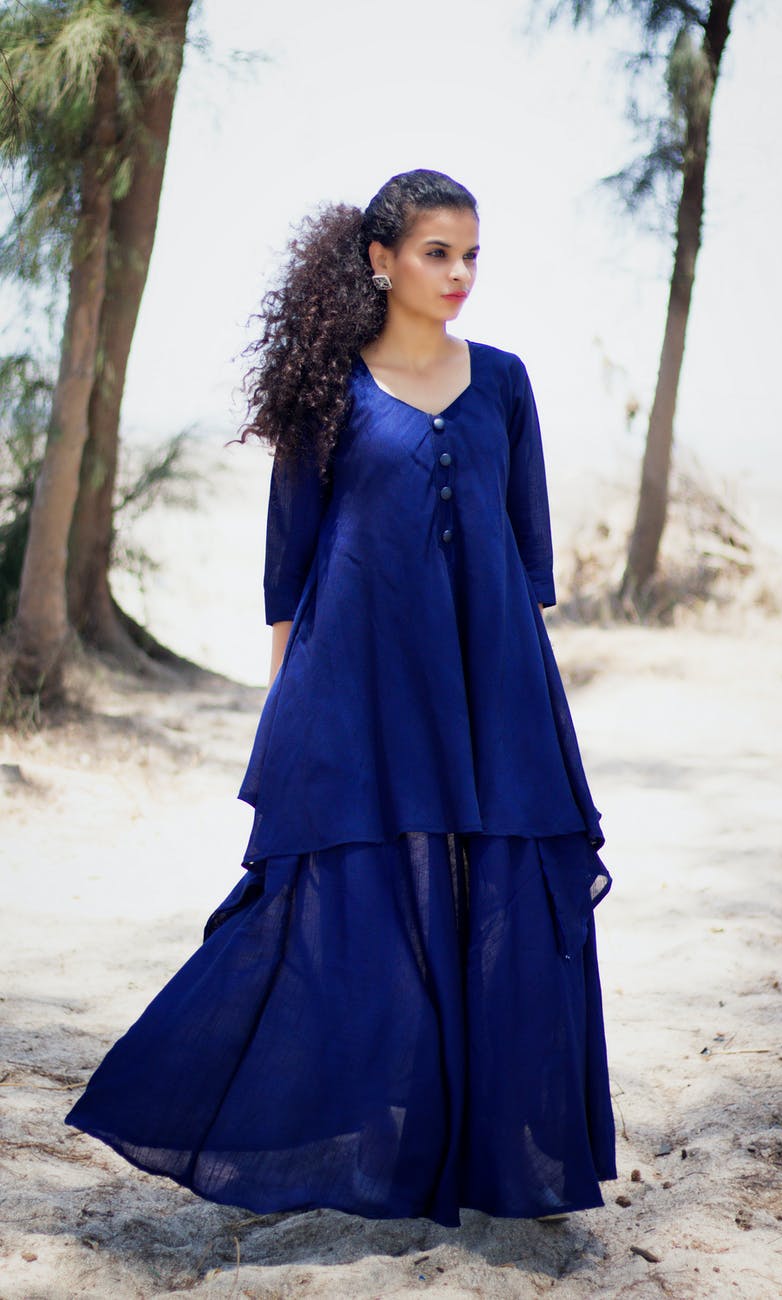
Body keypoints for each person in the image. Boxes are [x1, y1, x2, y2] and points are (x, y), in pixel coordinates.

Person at [65, 168, 617, 1229]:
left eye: (470, 255)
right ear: (381, 260)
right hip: (360, 681)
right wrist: (288, 705)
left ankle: (492, 1163)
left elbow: (522, 555)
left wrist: (526, 709)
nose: (458, 275)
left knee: (503, 901)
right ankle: (339, 1141)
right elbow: (294, 563)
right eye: (435, 253)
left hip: (495, 680)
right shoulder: (333, 389)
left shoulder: (503, 382)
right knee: (340, 901)